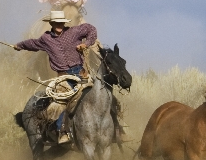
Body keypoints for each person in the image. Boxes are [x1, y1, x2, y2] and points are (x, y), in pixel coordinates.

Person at [14, 11, 124, 145]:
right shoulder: (46, 39)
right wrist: (19, 45)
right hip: (63, 77)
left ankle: (117, 130)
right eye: (56, 23)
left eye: (61, 22)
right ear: (51, 24)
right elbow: (33, 43)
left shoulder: (75, 32)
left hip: (81, 73)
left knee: (104, 94)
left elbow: (91, 30)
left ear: (64, 23)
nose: (59, 25)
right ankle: (63, 132)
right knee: (62, 101)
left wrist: (86, 44)